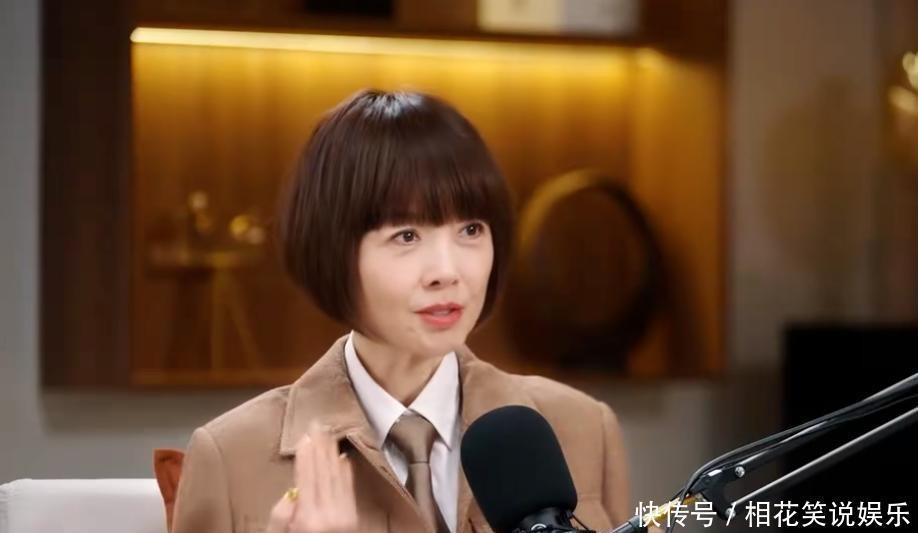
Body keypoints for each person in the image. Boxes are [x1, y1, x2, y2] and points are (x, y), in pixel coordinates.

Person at [170, 89, 632, 533]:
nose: (447, 272)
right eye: (406, 236)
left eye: (471, 230)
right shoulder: (231, 457)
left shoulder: (582, 428)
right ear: (333, 252)